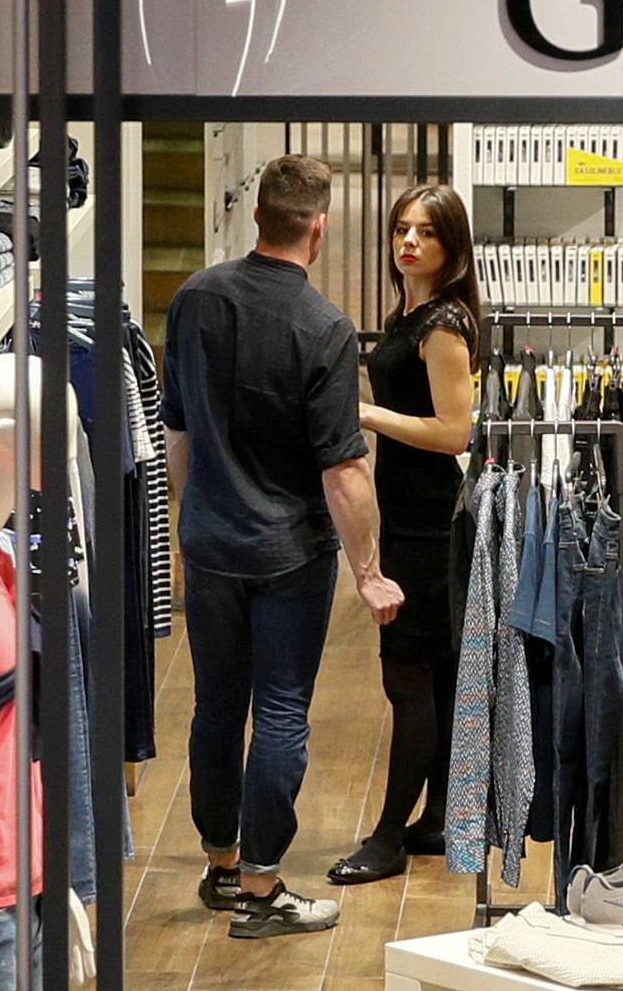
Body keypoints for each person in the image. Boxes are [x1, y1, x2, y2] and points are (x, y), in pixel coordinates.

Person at [162, 154, 402, 941]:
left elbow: (179, 432)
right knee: (282, 713)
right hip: (287, 554)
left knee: (215, 706)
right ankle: (263, 889)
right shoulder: (325, 329)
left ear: (256, 215)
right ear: (320, 227)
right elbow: (344, 471)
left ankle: (222, 862)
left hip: (211, 543)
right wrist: (368, 572)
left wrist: (186, 523)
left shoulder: (194, 298)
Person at [328, 184, 483, 885]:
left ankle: (390, 832)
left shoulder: (442, 324)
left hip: (428, 518)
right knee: (435, 674)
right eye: (400, 229)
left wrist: (366, 414)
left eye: (424, 231)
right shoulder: (412, 313)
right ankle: (438, 817)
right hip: (412, 511)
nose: (409, 241)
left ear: (451, 244)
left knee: (407, 676)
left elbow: (456, 431)